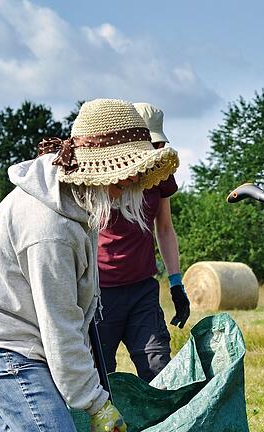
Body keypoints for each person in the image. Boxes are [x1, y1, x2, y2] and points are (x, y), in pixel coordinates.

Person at [0, 98, 179, 431]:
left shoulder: (75, 200)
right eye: (122, 179)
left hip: (28, 334)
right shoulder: (49, 229)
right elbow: (60, 328)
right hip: (1, 342)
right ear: (97, 170)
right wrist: (97, 405)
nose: (126, 189)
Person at [94, 102, 190, 383]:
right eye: (151, 143)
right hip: (100, 293)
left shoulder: (160, 174)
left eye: (159, 144)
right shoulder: (102, 174)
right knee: (99, 376)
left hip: (142, 291)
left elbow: (165, 228)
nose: (157, 150)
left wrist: (176, 283)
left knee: (158, 368)